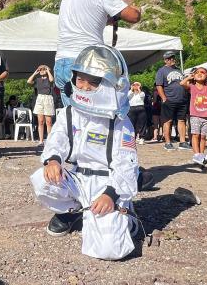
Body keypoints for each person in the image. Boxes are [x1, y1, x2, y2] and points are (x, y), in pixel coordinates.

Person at [30, 44, 141, 261]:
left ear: (110, 83)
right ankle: (71, 213)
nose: (85, 86)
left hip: (108, 184)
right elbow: (57, 139)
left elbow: (126, 163)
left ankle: (128, 218)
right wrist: (53, 161)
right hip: (78, 178)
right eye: (80, 79)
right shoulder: (70, 111)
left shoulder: (120, 119)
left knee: (110, 250)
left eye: (94, 81)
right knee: (41, 180)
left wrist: (111, 194)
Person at [54, 0, 141, 106]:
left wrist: (110, 20)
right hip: (83, 63)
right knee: (91, 118)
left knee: (72, 120)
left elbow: (87, 20)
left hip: (61, 62)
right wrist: (138, 10)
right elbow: (133, 17)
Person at [181, 67, 207, 164]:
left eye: (202, 72)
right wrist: (189, 77)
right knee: (195, 134)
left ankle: (201, 154)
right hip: (195, 114)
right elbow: (182, 83)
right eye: (197, 72)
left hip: (206, 115)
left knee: (203, 136)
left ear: (206, 75)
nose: (199, 73)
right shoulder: (192, 86)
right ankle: (196, 154)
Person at [155, 51, 189, 151]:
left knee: (182, 120)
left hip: (181, 99)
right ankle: (167, 143)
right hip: (169, 99)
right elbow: (159, 85)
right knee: (168, 121)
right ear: (165, 60)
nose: (172, 60)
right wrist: (164, 98)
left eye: (173, 58)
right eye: (170, 58)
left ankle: (182, 142)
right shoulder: (162, 71)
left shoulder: (179, 70)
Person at [28, 64, 55, 147]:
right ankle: (41, 140)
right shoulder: (37, 79)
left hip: (48, 98)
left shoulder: (49, 78)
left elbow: (51, 79)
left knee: (49, 122)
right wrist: (35, 73)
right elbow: (28, 81)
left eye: (43, 69)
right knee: (40, 121)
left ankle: (49, 140)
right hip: (39, 99)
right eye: (40, 69)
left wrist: (48, 71)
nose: (41, 70)